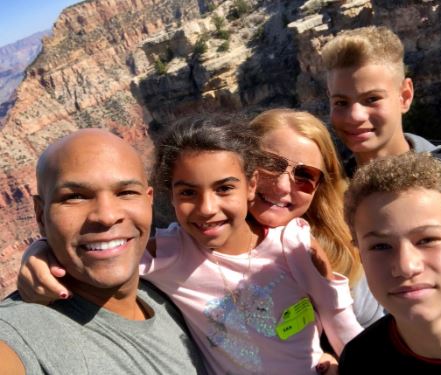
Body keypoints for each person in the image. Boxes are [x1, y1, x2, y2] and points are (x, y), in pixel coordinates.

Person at [17, 116, 363, 374]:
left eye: (225, 188)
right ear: (168, 196)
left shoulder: (296, 246)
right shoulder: (168, 254)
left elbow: (340, 323)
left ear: (252, 185)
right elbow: (105, 249)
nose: (207, 208)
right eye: (187, 193)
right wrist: (43, 250)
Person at [0, 129, 205, 374]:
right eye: (75, 197)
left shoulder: (168, 287)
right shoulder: (21, 332)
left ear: (149, 200)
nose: (107, 216)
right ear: (39, 214)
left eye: (126, 192)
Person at [322, 25, 441, 288]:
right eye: (341, 102)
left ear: (404, 96)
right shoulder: (328, 197)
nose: (355, 116)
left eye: (372, 99)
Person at [339, 152, 441, 374]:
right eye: (380, 246)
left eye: (427, 240)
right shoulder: (360, 362)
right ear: (361, 257)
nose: (406, 266)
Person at [249, 108, 384, 329]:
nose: (283, 187)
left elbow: (375, 331)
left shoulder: (346, 252)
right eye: (270, 164)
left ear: (319, 188)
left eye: (304, 176)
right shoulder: (195, 247)